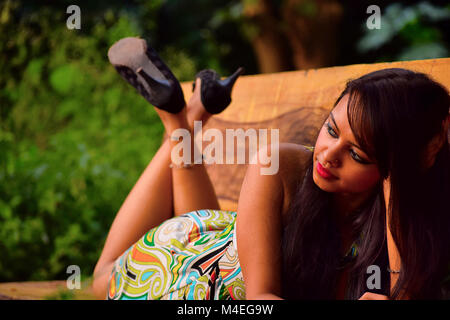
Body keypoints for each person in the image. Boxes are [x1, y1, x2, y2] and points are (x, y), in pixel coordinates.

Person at [92, 38, 450, 300]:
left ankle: (191, 115)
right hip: (180, 273)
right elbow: (260, 299)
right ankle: (178, 121)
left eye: (357, 155)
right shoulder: (276, 163)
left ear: (393, 170)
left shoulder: (407, 218)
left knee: (223, 252)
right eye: (330, 129)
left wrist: (398, 181)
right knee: (100, 279)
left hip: (221, 250)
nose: (327, 155)